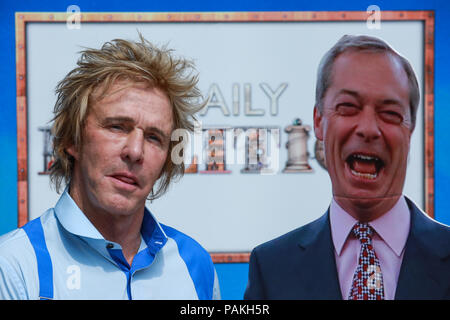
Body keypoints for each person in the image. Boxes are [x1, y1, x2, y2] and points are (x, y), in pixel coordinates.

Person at [0, 35, 220, 300]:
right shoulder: (14, 266)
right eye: (117, 127)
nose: (135, 151)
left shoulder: (194, 264)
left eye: (154, 137)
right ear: (72, 139)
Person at [244, 34, 450, 300]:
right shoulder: (271, 268)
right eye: (348, 107)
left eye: (389, 113)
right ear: (318, 121)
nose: (368, 129)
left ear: (410, 130)